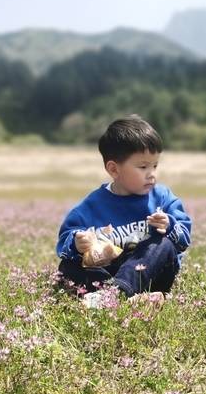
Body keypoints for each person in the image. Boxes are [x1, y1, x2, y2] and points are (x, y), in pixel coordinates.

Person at [55, 115, 192, 305]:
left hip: (152, 274)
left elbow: (184, 239)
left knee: (163, 244)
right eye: (143, 166)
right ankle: (132, 299)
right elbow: (65, 241)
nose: (152, 174)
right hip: (110, 271)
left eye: (155, 165)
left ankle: (115, 295)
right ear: (114, 170)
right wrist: (78, 243)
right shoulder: (92, 205)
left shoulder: (162, 198)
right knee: (67, 266)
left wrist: (169, 225)